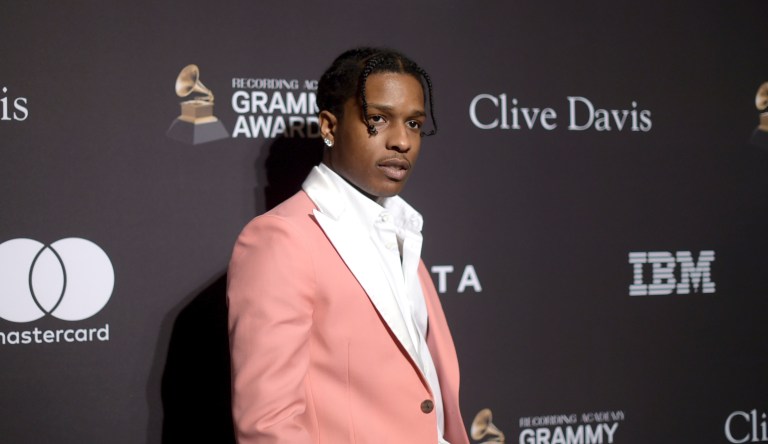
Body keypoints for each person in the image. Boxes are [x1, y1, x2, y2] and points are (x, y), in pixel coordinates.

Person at [227, 47, 469, 444]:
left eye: (413, 123)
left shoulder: (401, 230)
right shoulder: (281, 239)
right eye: (378, 119)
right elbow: (269, 425)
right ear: (329, 126)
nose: (402, 141)